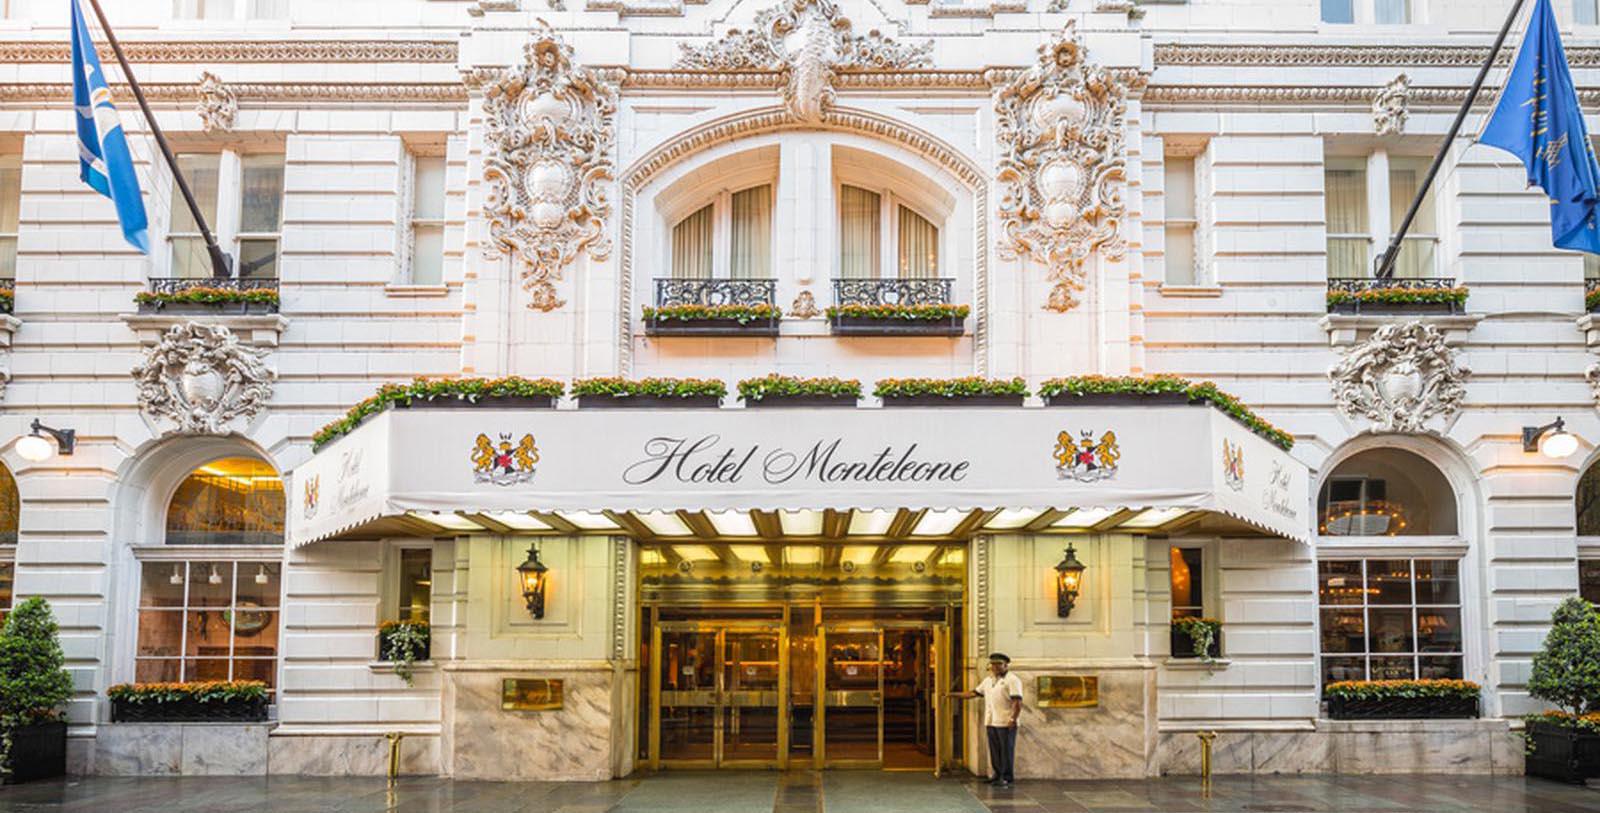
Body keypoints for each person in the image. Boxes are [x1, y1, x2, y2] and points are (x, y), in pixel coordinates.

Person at [948, 651, 1023, 787]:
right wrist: (952, 694)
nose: (995, 667)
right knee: (994, 750)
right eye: (993, 664)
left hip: (1006, 722)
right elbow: (973, 693)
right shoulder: (988, 680)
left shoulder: (1012, 680)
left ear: (1006, 665)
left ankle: (1006, 777)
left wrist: (1013, 719)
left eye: (999, 664)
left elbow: (1017, 702)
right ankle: (997, 775)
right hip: (991, 721)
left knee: (1006, 750)